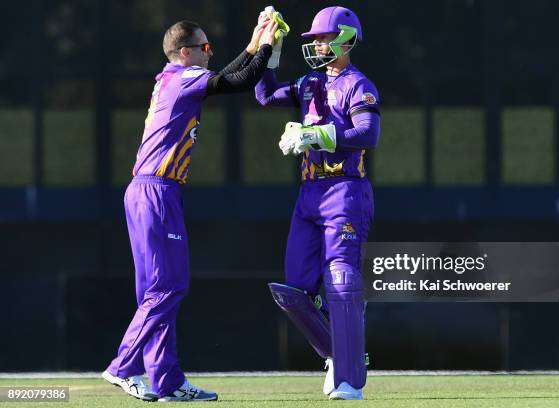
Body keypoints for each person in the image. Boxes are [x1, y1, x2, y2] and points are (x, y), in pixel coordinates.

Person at [101, 16, 278, 402]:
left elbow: (221, 80)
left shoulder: (171, 79)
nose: (209, 53)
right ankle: (122, 366)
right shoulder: (182, 79)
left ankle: (166, 381)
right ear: (186, 52)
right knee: (169, 287)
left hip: (145, 191)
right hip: (157, 192)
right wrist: (266, 46)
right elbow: (239, 83)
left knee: (155, 292)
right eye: (205, 48)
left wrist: (250, 48)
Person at [256, 6, 380, 401]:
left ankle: (349, 381)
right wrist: (268, 52)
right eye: (315, 40)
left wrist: (316, 136)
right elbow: (263, 96)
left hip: (345, 191)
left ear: (345, 39)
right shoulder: (309, 82)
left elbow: (367, 132)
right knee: (293, 290)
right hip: (308, 195)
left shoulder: (359, 85)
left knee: (341, 283)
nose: (318, 45)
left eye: (324, 38)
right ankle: (340, 355)